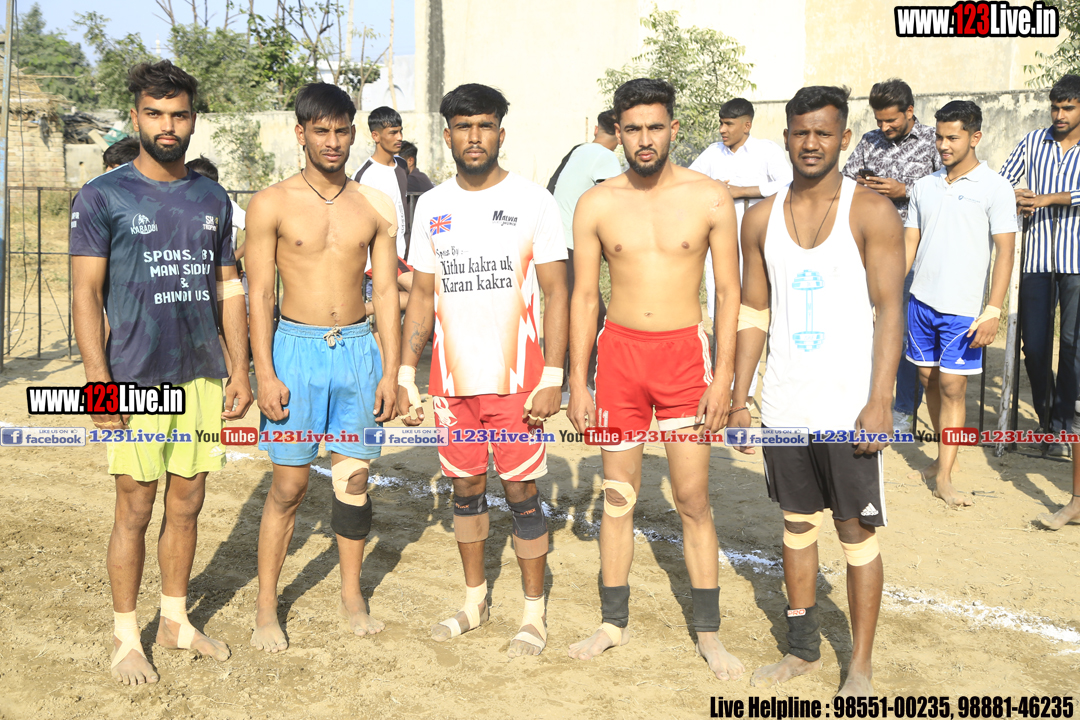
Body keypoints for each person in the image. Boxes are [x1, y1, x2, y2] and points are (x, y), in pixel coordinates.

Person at [70, 60, 253, 685]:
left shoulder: (212, 197)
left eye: (178, 114)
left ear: (194, 120)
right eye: (154, 114)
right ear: (135, 118)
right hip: (134, 377)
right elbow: (85, 293)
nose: (167, 126)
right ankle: (126, 637)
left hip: (201, 376)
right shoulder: (103, 195)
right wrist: (98, 380)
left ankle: (174, 620)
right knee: (135, 505)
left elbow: (229, 288)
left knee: (189, 501)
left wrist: (240, 369)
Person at [565, 78, 744, 681]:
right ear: (618, 132)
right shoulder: (596, 203)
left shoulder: (710, 197)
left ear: (674, 128)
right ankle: (612, 622)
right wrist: (579, 381)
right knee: (618, 497)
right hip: (618, 360)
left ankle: (709, 633)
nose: (645, 139)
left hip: (684, 360)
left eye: (656, 127)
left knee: (692, 499)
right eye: (633, 128)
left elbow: (729, 293)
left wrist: (724, 379)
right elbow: (584, 296)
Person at [730, 85, 904, 696]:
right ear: (786, 137)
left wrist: (880, 400)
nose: (811, 143)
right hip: (784, 404)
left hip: (847, 407)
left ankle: (859, 665)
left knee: (855, 533)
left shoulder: (871, 212)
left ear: (844, 139)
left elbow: (890, 309)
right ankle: (802, 650)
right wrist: (740, 398)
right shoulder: (760, 218)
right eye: (801, 132)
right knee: (797, 526)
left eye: (823, 133)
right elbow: (754, 313)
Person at [396, 83, 569, 658]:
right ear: (447, 135)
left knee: (521, 492)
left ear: (501, 133)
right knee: (465, 489)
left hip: (518, 382)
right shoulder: (431, 205)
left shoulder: (533, 201)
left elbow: (557, 292)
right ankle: (475, 602)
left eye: (485, 126)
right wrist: (406, 373)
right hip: (452, 384)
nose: (475, 137)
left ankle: (533, 614)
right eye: (464, 127)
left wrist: (554, 375)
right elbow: (422, 295)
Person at [245, 82, 401, 653]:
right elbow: (260, 295)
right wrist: (264, 373)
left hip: (358, 350)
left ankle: (352, 595)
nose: (332, 142)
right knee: (288, 486)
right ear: (301, 133)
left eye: (341, 131)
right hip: (296, 350)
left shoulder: (374, 204)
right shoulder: (271, 203)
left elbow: (387, 292)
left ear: (353, 133)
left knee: (354, 479)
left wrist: (392, 372)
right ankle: (267, 605)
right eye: (321, 131)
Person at [905, 101, 1017, 506]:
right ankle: (941, 457)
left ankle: (945, 478)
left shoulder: (995, 187)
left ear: (975, 137)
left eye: (952, 137)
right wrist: (890, 293)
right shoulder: (923, 185)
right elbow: (910, 242)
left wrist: (993, 309)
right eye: (939, 137)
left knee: (953, 387)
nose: (943, 145)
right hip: (920, 302)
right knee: (928, 380)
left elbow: (1006, 251)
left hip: (964, 309)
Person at [842, 79, 942, 435]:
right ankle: (862, 400)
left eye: (891, 121)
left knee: (904, 331)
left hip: (915, 252)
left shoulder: (934, 141)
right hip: (868, 250)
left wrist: (906, 190)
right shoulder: (869, 141)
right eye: (879, 120)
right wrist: (863, 189)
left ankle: (902, 410)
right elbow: (843, 182)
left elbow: (949, 188)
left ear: (910, 111)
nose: (884, 127)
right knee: (863, 326)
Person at [1001, 74, 1080, 458]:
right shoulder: (1033, 141)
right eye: (1055, 107)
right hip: (1035, 260)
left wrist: (1049, 198)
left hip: (1076, 262)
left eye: (1068, 108)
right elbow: (1000, 181)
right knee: (1033, 346)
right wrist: (1014, 194)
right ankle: (1048, 419)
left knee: (1072, 346)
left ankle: (1064, 425)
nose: (1060, 115)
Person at [689, 98, 791, 322]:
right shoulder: (713, 152)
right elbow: (688, 181)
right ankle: (721, 341)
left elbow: (788, 183)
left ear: (747, 125)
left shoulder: (766, 150)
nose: (722, 130)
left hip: (756, 237)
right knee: (718, 294)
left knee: (755, 299)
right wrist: (713, 186)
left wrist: (741, 191)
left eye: (728, 124)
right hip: (719, 237)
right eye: (721, 123)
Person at [552, 109, 622, 392]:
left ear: (595, 129)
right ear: (619, 133)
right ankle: (583, 383)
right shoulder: (606, 157)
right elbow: (612, 204)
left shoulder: (579, 150)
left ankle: (565, 382)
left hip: (556, 241)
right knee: (592, 313)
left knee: (567, 309)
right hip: (573, 243)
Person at [354, 106, 410, 259]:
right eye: (393, 133)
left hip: (405, 257)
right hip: (378, 262)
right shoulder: (365, 176)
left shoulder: (402, 165)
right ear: (376, 136)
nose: (399, 137)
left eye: (400, 131)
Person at [185, 156, 247, 262]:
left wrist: (233, 259)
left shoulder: (227, 206)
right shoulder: (182, 208)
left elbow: (257, 230)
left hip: (222, 271)